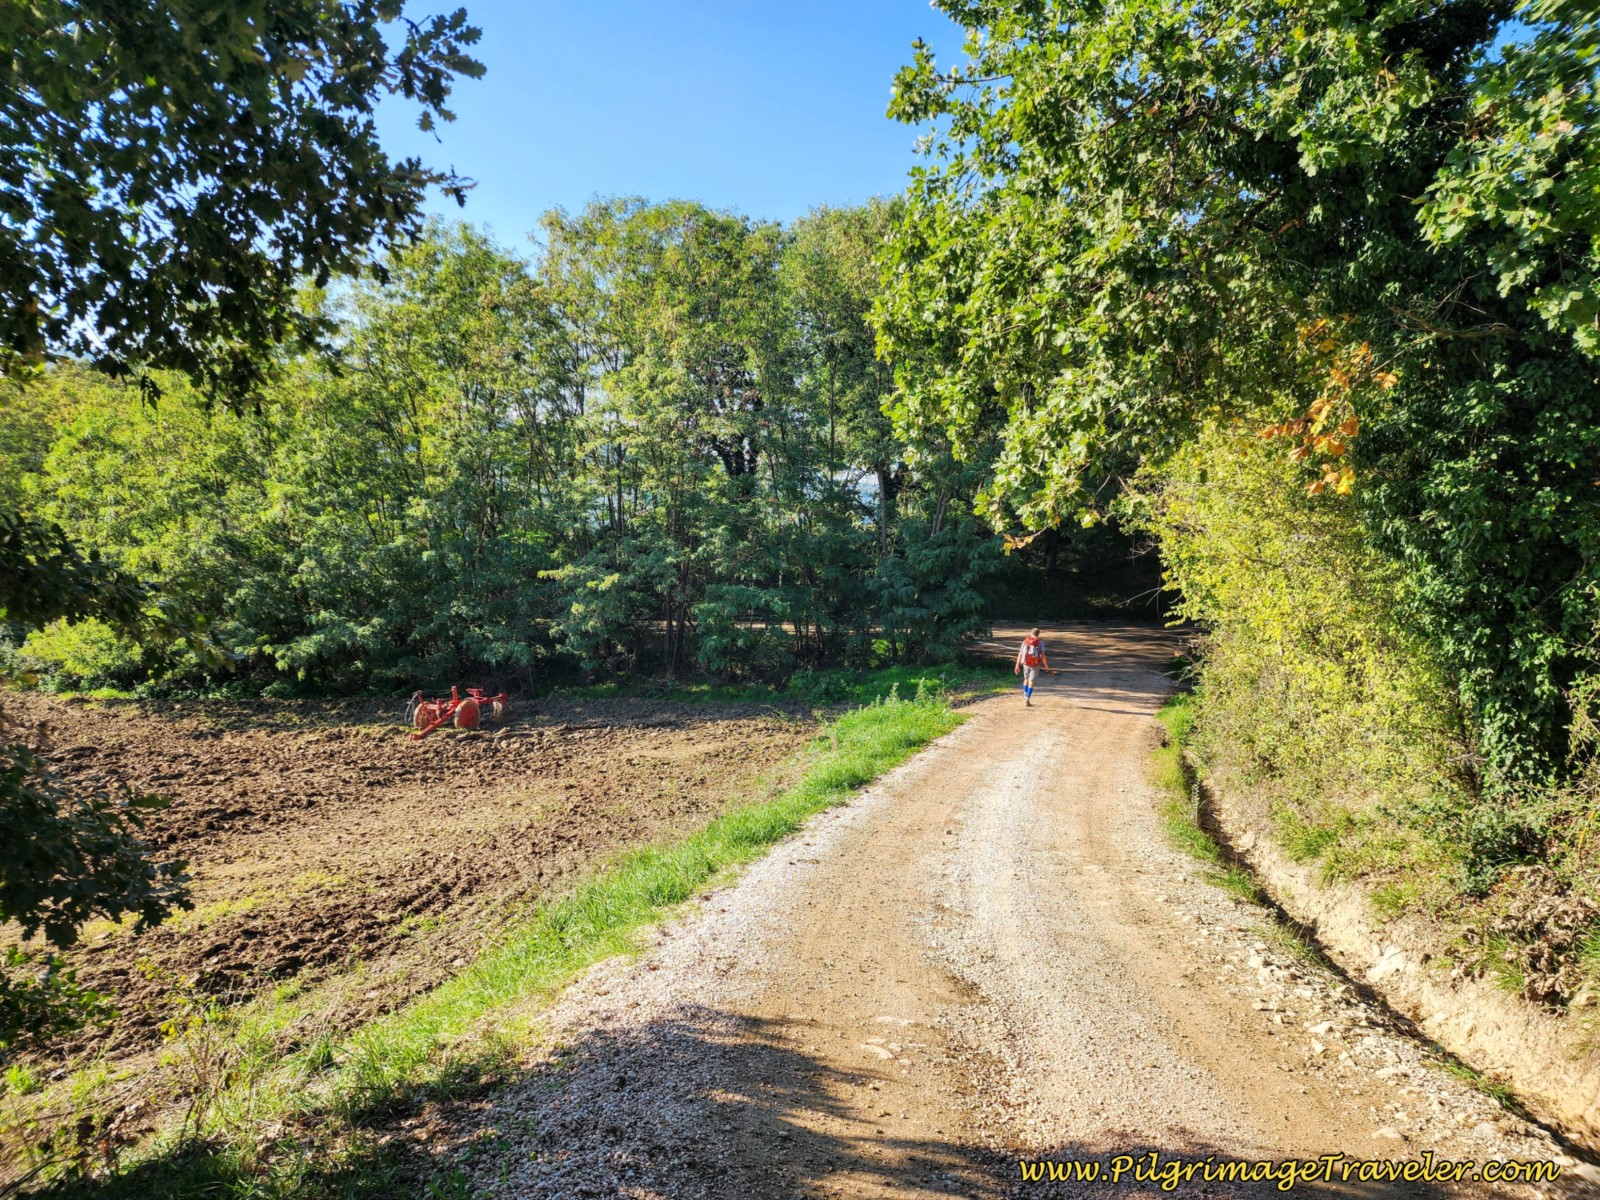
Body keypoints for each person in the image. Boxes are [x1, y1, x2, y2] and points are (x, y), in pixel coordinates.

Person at [1014, 627, 1053, 706]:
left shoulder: (1025, 642)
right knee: (1031, 682)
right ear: (1038, 634)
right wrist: (1046, 666)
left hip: (1025, 664)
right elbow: (1042, 655)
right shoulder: (1040, 643)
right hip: (1035, 665)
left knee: (1026, 679)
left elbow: (1020, 654)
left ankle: (1025, 695)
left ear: (1031, 633)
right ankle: (1028, 698)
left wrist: (1017, 665)